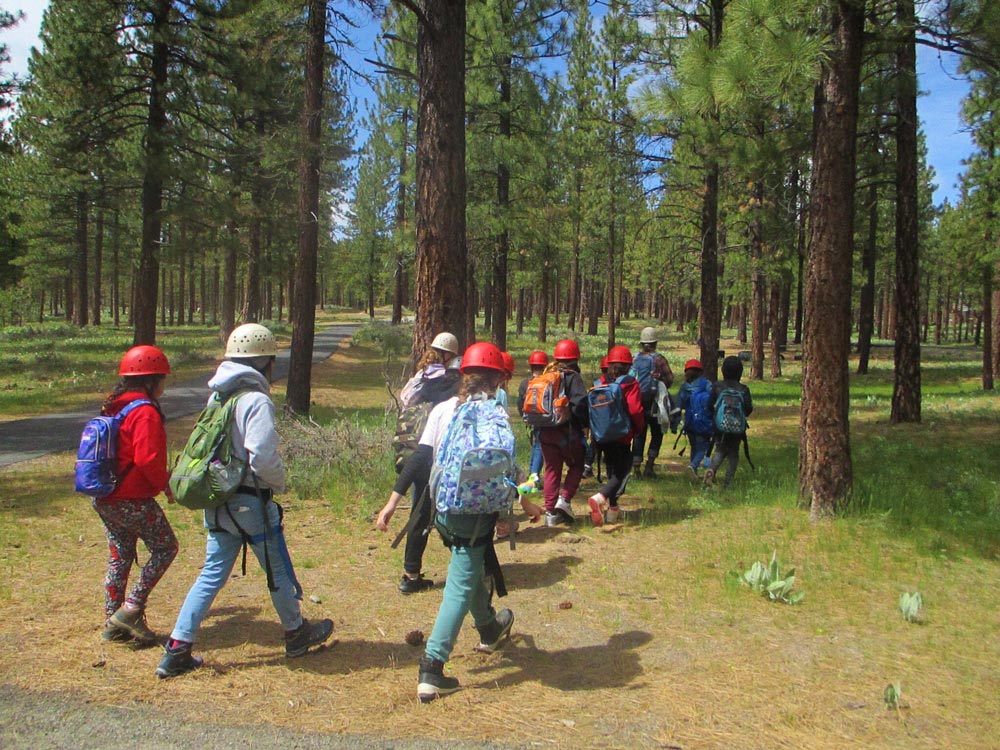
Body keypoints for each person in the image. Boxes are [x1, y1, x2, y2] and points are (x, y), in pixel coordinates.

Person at [156, 323, 332, 678]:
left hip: (217, 499)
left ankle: (178, 647)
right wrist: (279, 483)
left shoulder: (218, 396)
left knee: (211, 574)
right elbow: (262, 457)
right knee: (277, 569)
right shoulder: (256, 401)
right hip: (250, 501)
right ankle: (296, 633)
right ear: (265, 361)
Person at [376, 342, 537, 702]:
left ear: (462, 374)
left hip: (443, 509)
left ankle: (490, 628)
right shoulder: (496, 411)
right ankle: (432, 666)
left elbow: (421, 458)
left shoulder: (444, 409)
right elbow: (506, 467)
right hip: (478, 514)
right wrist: (525, 503)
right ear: (498, 378)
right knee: (461, 583)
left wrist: (393, 502)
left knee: (468, 566)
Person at [93, 345, 178, 645]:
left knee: (121, 555)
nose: (164, 386)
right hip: (131, 497)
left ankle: (112, 622)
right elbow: (148, 460)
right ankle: (129, 610)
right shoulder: (144, 411)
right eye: (162, 379)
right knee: (166, 547)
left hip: (104, 495)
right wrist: (166, 486)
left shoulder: (114, 404)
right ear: (150, 380)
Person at [393, 332, 461, 594]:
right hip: (433, 455)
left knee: (420, 513)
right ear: (449, 356)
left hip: (414, 454)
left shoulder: (419, 378)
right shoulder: (445, 383)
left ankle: (411, 573)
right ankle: (465, 565)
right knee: (438, 513)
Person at [588, 346, 644, 526]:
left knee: (612, 470)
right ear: (628, 365)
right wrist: (638, 428)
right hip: (621, 435)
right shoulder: (630, 383)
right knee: (623, 470)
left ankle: (612, 511)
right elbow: (635, 410)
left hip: (602, 436)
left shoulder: (599, 383)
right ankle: (600, 497)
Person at [538, 339, 589, 527]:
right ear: (575, 357)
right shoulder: (573, 377)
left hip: (545, 432)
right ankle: (565, 500)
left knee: (551, 470)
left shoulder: (547, 374)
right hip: (567, 433)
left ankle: (550, 514)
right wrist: (583, 423)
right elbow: (581, 402)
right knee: (577, 464)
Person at [630, 327, 674, 478]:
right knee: (657, 433)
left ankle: (636, 467)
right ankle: (650, 465)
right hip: (655, 404)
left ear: (642, 343)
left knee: (639, 434)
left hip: (638, 403)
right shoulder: (659, 359)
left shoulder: (634, 358)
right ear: (655, 343)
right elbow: (670, 380)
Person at [704, 356, 753, 489]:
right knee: (733, 454)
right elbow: (748, 408)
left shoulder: (717, 386)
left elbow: (709, 405)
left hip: (719, 427)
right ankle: (728, 482)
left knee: (719, 450)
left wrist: (716, 417)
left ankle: (711, 471)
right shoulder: (743, 389)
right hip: (737, 428)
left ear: (723, 370)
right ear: (740, 372)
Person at [677, 358, 714, 478]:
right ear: (700, 372)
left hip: (689, 421)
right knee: (703, 447)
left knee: (694, 445)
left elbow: (680, 403)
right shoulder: (706, 383)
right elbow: (713, 399)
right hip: (703, 421)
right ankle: (693, 466)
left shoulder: (684, 387)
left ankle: (693, 471)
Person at [517, 350, 548, 478]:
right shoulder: (547, 381)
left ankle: (532, 472)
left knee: (537, 444)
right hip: (545, 418)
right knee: (539, 446)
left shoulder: (525, 383)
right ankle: (534, 474)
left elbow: (520, 402)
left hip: (530, 418)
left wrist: (524, 417)